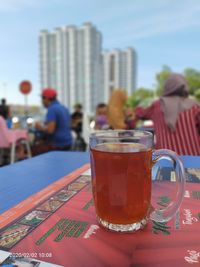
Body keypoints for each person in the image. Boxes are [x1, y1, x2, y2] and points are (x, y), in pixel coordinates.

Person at [135, 73, 200, 155]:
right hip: (194, 160)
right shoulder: (194, 106)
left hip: (166, 160)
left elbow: (140, 113)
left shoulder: (156, 105)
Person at [32, 88, 72, 155]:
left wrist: (39, 127)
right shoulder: (64, 108)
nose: (42, 101)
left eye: (42, 98)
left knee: (33, 150)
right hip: (68, 143)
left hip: (58, 145)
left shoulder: (52, 109)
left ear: (47, 99)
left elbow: (50, 130)